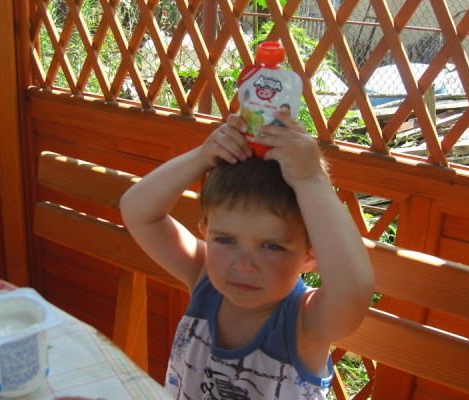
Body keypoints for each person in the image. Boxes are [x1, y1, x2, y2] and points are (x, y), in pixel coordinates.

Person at [120, 112, 373, 399]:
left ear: (311, 254)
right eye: (225, 239)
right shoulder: (204, 278)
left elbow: (352, 293)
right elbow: (137, 212)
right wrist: (202, 156)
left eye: (271, 246)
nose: (243, 265)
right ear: (206, 232)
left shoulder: (305, 323)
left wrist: (311, 179)